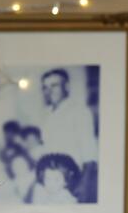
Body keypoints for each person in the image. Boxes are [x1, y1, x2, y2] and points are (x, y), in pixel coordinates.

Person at [38, 68, 98, 198]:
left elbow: (90, 151)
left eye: (54, 85)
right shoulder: (47, 114)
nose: (49, 91)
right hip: (50, 178)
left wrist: (84, 183)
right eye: (45, 87)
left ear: (66, 86)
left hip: (71, 177)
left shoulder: (79, 111)